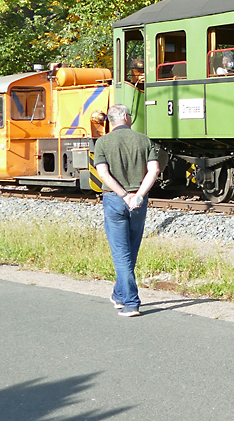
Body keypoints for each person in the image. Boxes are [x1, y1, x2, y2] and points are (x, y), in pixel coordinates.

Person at [92, 104, 160, 317]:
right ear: (126, 117)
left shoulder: (102, 142)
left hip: (115, 201)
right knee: (130, 251)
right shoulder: (144, 139)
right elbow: (154, 170)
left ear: (111, 121)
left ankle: (131, 302)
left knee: (121, 254)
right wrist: (137, 195)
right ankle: (119, 295)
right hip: (138, 202)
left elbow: (103, 173)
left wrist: (123, 195)